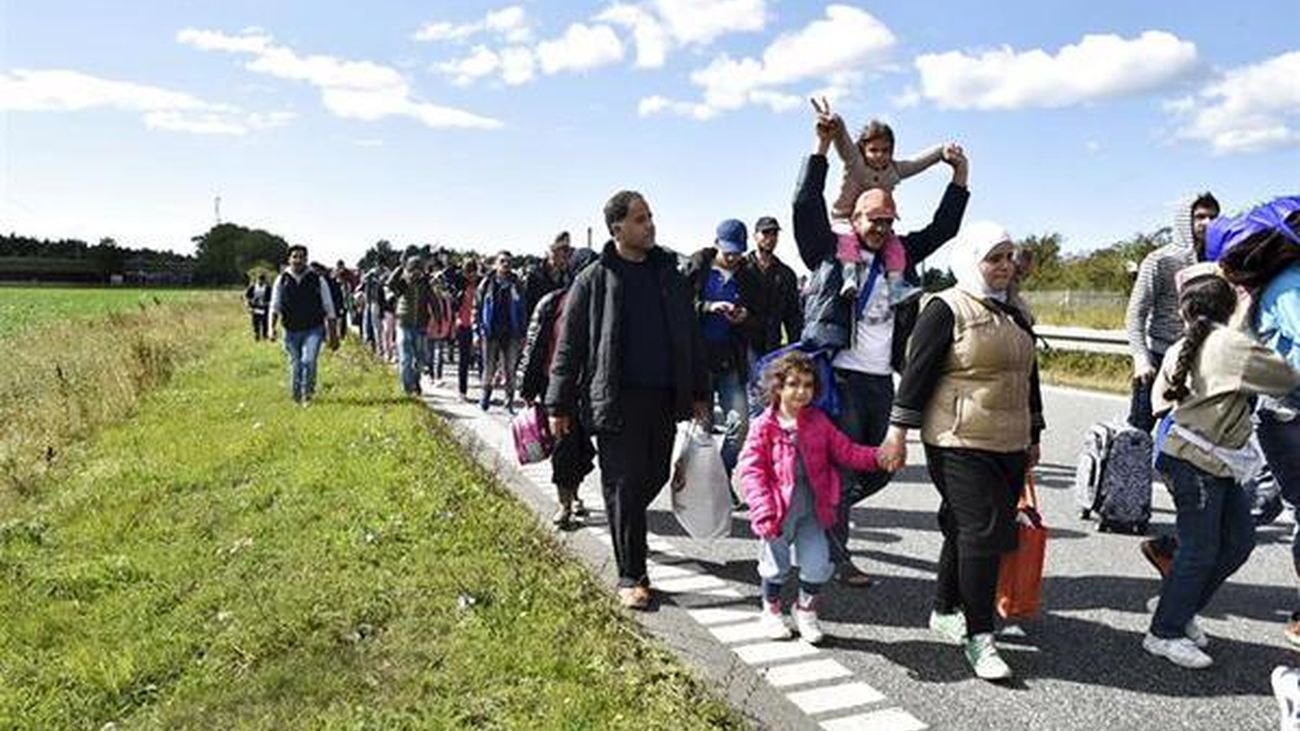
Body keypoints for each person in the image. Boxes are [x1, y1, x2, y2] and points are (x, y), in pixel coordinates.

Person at [798, 101, 971, 587]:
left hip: (881, 381)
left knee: (881, 468)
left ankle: (821, 503)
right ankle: (837, 556)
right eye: (874, 221)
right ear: (854, 221)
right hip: (842, 379)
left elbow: (943, 230)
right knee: (845, 467)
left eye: (889, 222)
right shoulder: (830, 257)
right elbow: (803, 205)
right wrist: (820, 147)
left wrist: (959, 177)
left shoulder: (901, 257)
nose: (883, 229)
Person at [880, 222, 1043, 681]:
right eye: (995, 258)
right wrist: (897, 433)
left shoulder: (1017, 312)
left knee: (962, 526)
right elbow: (915, 375)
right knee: (983, 531)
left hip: (1009, 440)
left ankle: (944, 607)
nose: (1006, 267)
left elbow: (1028, 377)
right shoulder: (945, 308)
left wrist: (1035, 432)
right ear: (973, 261)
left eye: (1010, 257)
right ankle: (980, 635)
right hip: (956, 440)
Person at [545, 190, 709, 610]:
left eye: (650, 216)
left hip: (661, 397)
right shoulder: (594, 279)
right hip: (615, 401)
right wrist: (558, 405)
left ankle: (628, 528)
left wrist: (699, 393)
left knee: (651, 475)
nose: (649, 224)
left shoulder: (669, 275)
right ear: (617, 228)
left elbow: (690, 337)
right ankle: (631, 574)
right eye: (640, 219)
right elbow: (570, 347)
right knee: (624, 484)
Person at [1143, 264, 1300, 669]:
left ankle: (1179, 603)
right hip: (1198, 460)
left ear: (1184, 311)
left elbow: (1159, 402)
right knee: (1200, 549)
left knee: (1238, 541)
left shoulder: (1185, 345)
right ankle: (1164, 632)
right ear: (1230, 307)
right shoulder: (1230, 345)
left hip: (1201, 456)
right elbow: (1285, 378)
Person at [739, 351, 885, 644]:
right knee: (775, 567)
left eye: (807, 385)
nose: (801, 391)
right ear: (778, 388)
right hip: (777, 511)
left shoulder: (819, 422)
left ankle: (805, 610)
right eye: (793, 384)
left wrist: (879, 457)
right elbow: (751, 471)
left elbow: (847, 450)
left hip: (814, 508)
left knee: (818, 564)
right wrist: (762, 509)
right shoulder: (764, 426)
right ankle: (771, 609)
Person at [1209, 197, 1300, 646]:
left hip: (1282, 409)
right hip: (1288, 413)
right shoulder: (1287, 285)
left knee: (1264, 501)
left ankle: (1190, 548)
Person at [1126, 193, 1221, 576]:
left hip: (1199, 363)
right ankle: (1125, 502)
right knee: (1138, 438)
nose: (1207, 223)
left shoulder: (1219, 262)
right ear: (1185, 219)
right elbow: (1136, 313)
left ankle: (1189, 514)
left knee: (1188, 445)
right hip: (1157, 358)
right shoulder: (1160, 260)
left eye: (1213, 216)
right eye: (1200, 216)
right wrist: (1140, 357)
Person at [816, 99, 954, 306]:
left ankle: (896, 286)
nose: (880, 156)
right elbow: (843, 142)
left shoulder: (894, 170)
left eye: (885, 150)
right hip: (844, 217)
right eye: (873, 150)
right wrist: (836, 123)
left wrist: (942, 151)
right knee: (847, 240)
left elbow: (918, 162)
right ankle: (850, 277)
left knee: (895, 247)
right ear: (863, 149)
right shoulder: (855, 161)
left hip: (876, 222)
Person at [684, 219, 764, 497]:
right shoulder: (697, 268)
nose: (732, 258)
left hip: (731, 360)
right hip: (699, 360)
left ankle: (721, 475)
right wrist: (707, 306)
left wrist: (744, 317)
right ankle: (700, 487)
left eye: (738, 253)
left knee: (740, 425)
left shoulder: (749, 276)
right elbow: (680, 306)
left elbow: (758, 317)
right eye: (728, 251)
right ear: (716, 244)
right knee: (702, 430)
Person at [519, 249, 598, 529]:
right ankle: (564, 504)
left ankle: (575, 493)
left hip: (590, 390)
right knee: (564, 448)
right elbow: (533, 345)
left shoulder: (605, 307)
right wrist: (526, 386)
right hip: (557, 388)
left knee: (582, 449)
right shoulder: (553, 303)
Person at [269, 244, 339, 404]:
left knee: (309, 361)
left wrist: (333, 335)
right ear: (289, 259)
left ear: (306, 259)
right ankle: (296, 397)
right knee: (296, 364)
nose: (298, 260)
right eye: (295, 256)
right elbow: (275, 305)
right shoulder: (282, 280)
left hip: (313, 329)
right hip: (290, 330)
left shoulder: (317, 279)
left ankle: (308, 394)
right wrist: (271, 328)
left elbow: (329, 308)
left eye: (302, 257)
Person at [745, 216, 804, 360]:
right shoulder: (742, 268)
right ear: (755, 236)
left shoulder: (786, 274)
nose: (770, 238)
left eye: (774, 234)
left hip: (772, 346)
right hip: (744, 346)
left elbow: (793, 315)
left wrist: (795, 347)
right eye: (765, 233)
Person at [476, 250, 528, 412]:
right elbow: (476, 309)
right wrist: (476, 332)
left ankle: (509, 402)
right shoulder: (486, 284)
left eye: (509, 262)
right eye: (502, 261)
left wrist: (523, 333)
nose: (506, 265)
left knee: (510, 369)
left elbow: (523, 309)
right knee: (489, 367)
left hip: (511, 333)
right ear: (495, 264)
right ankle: (485, 397)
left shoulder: (517, 284)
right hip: (490, 332)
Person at [387, 255, 434, 396]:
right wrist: (400, 268)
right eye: (413, 270)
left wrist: (438, 318)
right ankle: (408, 388)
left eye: (419, 270)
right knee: (406, 358)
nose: (416, 273)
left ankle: (416, 381)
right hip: (403, 324)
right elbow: (390, 284)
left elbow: (433, 301)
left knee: (420, 359)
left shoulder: (425, 284)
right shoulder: (402, 283)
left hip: (421, 325)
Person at [524, 231, 575, 316]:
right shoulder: (534, 275)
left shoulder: (569, 275)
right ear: (550, 252)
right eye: (564, 250)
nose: (567, 254)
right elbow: (527, 308)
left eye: (568, 250)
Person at [454, 259, 481, 401]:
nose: (471, 276)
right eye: (467, 273)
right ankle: (462, 391)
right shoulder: (460, 285)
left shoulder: (483, 284)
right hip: (463, 325)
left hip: (480, 326)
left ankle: (484, 393)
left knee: (482, 359)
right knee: (463, 360)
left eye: (473, 272)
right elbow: (448, 273)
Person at [245, 273, 271, 341]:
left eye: (262, 280)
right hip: (255, 308)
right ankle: (257, 335)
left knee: (265, 323)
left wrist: (267, 303)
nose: (260, 282)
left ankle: (265, 336)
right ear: (257, 280)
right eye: (259, 280)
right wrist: (248, 305)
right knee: (255, 322)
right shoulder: (252, 287)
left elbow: (272, 299)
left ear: (264, 281)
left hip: (265, 308)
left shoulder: (268, 288)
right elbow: (247, 297)